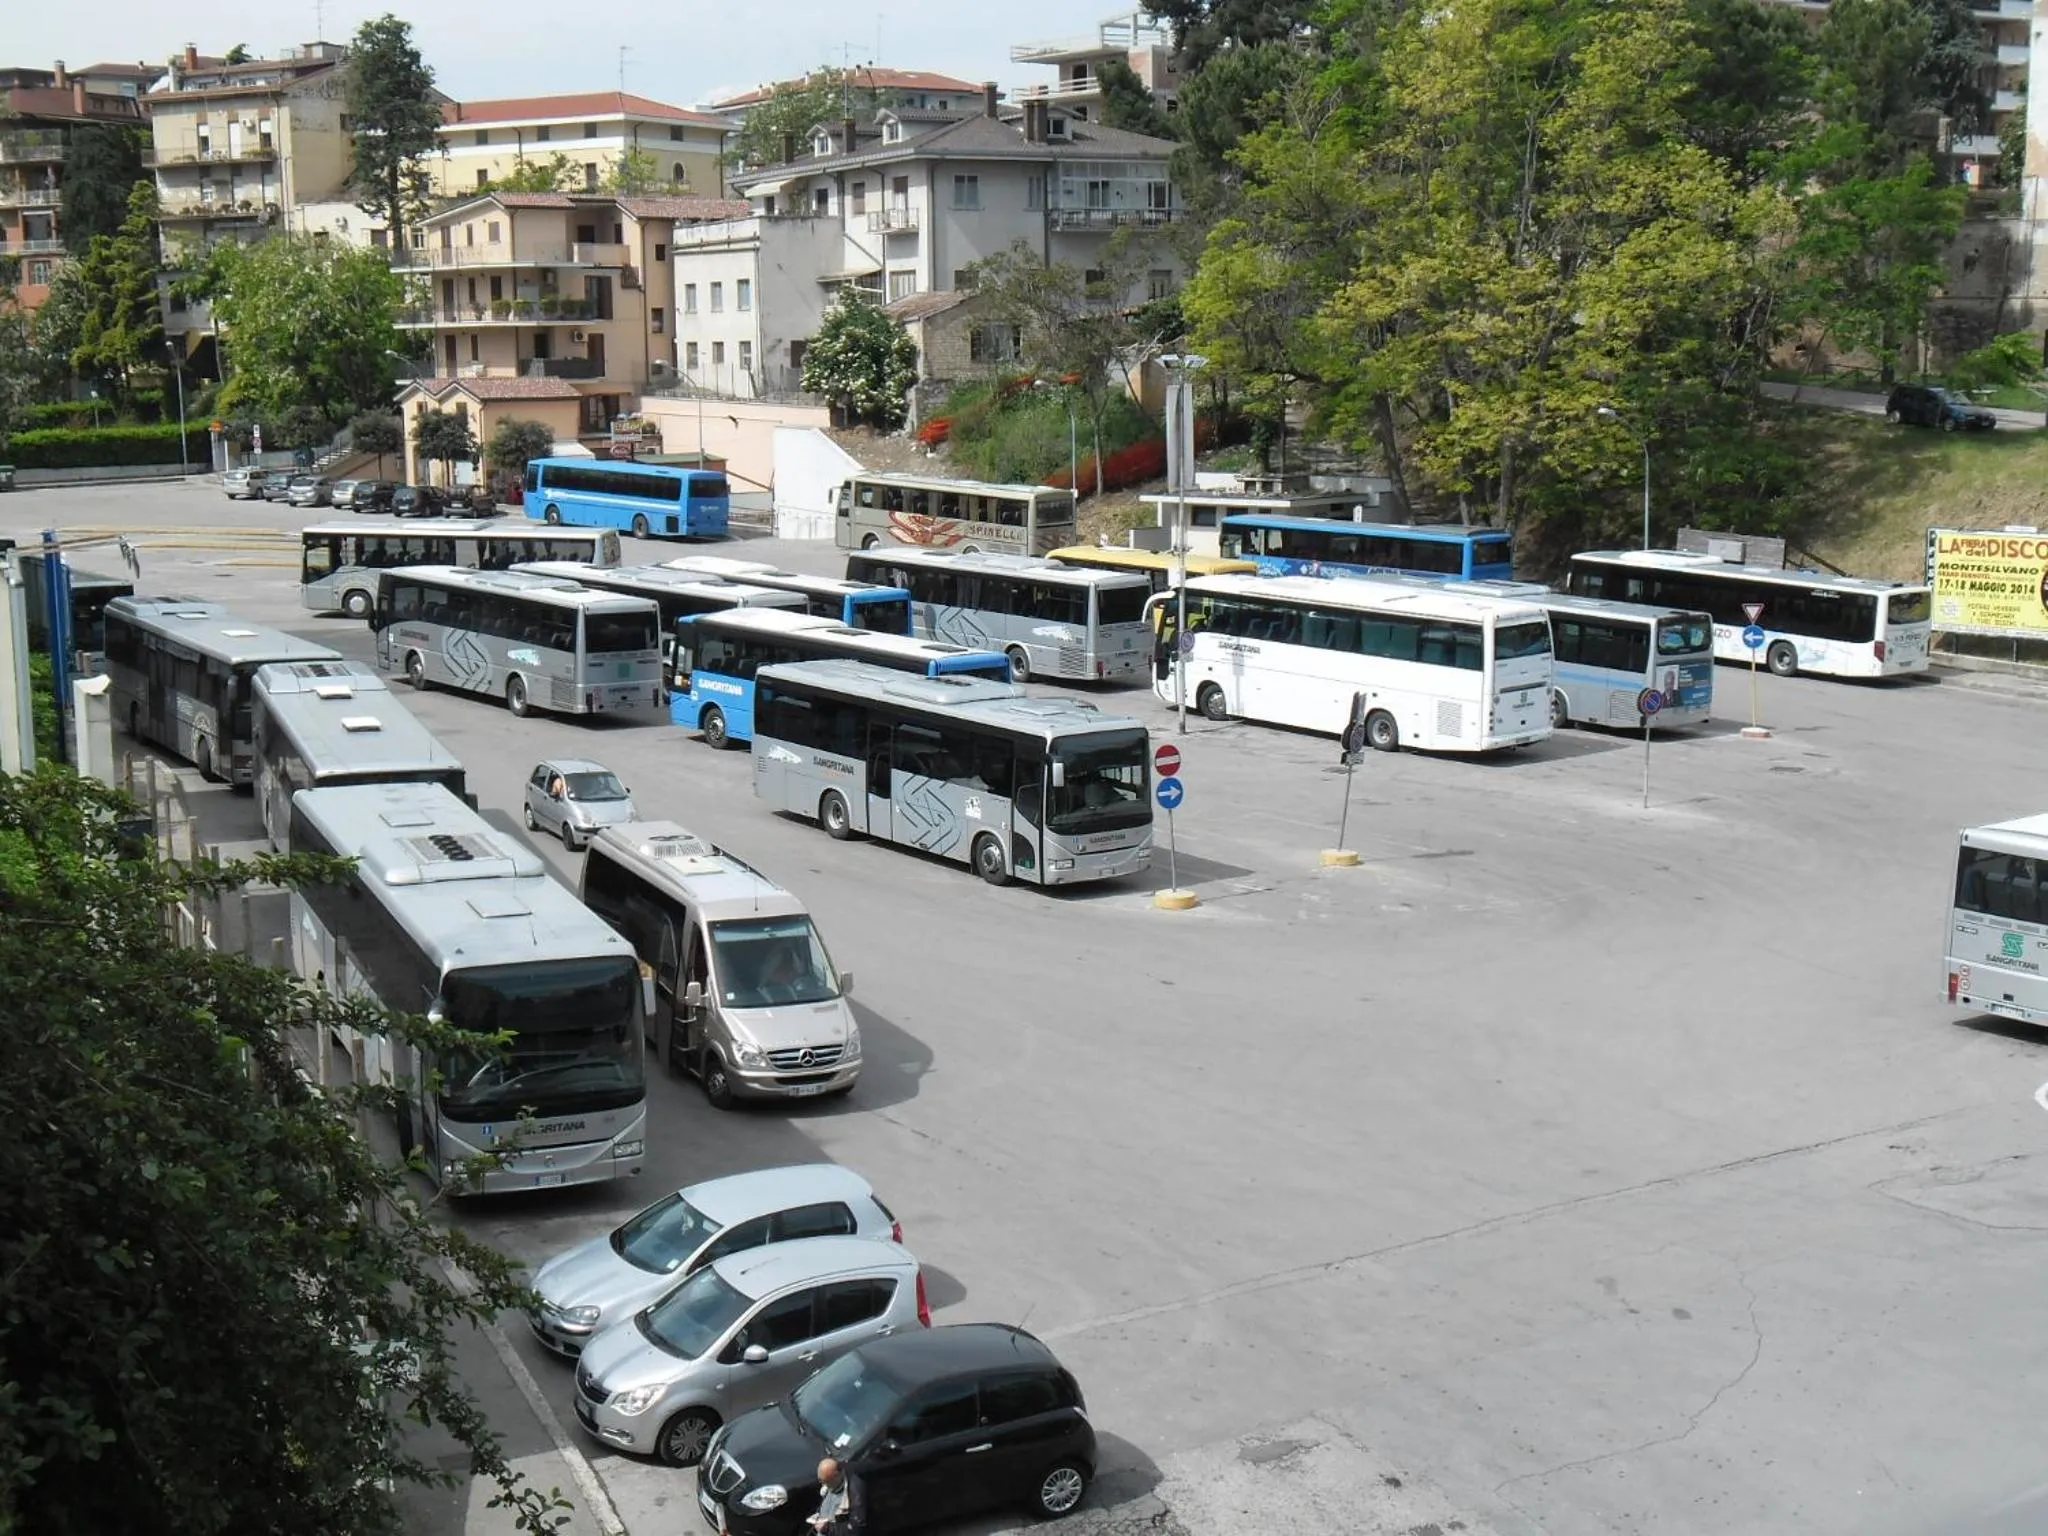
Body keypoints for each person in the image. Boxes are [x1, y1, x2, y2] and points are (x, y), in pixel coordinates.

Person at [809, 1458, 862, 1533]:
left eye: (826, 1482)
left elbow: (856, 1528)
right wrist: (817, 1516)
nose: (824, 1486)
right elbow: (827, 1502)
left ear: (836, 1475)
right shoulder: (832, 1484)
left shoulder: (854, 1490)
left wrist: (829, 1528)